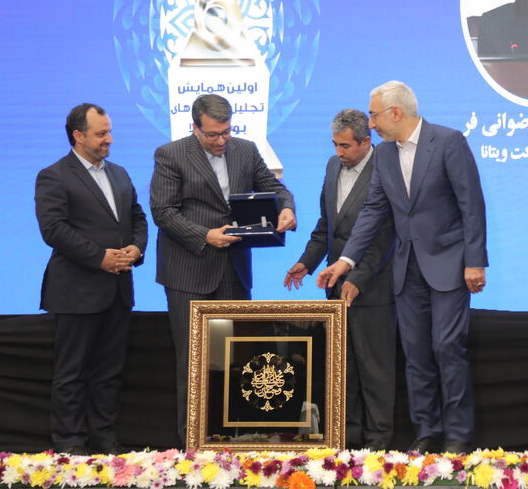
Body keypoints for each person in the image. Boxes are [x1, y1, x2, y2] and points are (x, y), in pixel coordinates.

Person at [317, 81, 487, 454]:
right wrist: (345, 261)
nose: (371, 123)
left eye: (374, 115)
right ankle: (426, 431)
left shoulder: (448, 141)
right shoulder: (384, 155)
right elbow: (374, 210)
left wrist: (475, 261)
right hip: (406, 269)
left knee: (446, 347)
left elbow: (471, 204)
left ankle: (457, 434)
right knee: (416, 353)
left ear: (396, 112)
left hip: (449, 264)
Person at [150, 93, 296, 444]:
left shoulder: (245, 150)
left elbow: (274, 188)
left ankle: (235, 436)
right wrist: (205, 235)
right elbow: (163, 212)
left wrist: (287, 208)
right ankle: (192, 442)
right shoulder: (170, 154)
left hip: (234, 271)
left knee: (238, 358)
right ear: (195, 128)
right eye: (213, 134)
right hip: (188, 271)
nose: (221, 140)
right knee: (194, 361)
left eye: (226, 132)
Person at [35, 103, 148, 455]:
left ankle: (104, 439)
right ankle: (70, 444)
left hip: (118, 291)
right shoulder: (53, 175)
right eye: (101, 133)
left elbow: (138, 218)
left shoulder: (119, 173)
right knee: (72, 373)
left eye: (110, 131)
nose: (109, 139)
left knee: (110, 372)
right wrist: (99, 257)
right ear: (78, 136)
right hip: (76, 292)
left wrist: (136, 248)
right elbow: (53, 229)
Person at [284, 109, 397, 450]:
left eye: (345, 146)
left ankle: (379, 443)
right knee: (342, 369)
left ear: (366, 141)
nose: (338, 152)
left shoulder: (386, 168)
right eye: (335, 144)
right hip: (336, 288)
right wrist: (306, 262)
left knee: (375, 370)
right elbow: (327, 226)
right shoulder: (333, 166)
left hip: (374, 287)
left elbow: (385, 235)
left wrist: (357, 277)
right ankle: (347, 440)